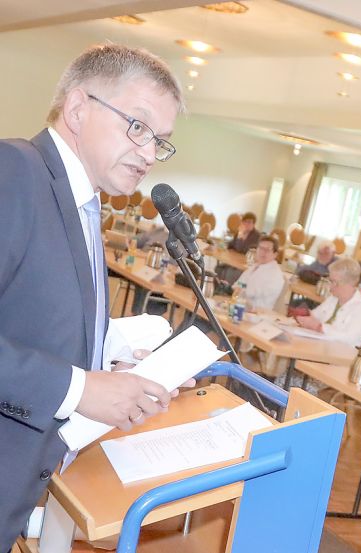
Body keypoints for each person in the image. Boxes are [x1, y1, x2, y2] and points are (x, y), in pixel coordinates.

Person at [0, 43, 184, 551]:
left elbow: (30, 318)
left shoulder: (81, 201)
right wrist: (82, 389)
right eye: (138, 126)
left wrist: (105, 361)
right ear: (78, 109)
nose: (149, 153)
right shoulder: (13, 171)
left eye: (161, 141)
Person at [294, 257, 361, 347]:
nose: (330, 287)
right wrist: (303, 316)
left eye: (334, 282)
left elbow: (353, 339)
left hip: (339, 356)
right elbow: (315, 316)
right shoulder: (333, 299)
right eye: (330, 281)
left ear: (348, 283)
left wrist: (320, 328)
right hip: (320, 347)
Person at [232, 234, 285, 311]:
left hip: (256, 314)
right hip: (241, 305)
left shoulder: (275, 274)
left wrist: (240, 289)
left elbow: (250, 293)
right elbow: (237, 285)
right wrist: (239, 289)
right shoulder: (255, 266)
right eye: (260, 248)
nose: (263, 252)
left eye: (267, 250)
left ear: (275, 254)